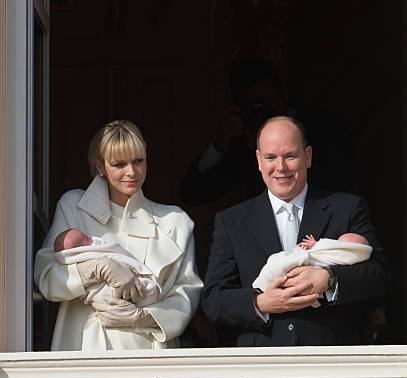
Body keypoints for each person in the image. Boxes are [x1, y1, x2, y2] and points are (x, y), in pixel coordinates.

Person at [202, 116, 388, 346]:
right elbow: (213, 300)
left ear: (307, 156)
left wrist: (328, 280)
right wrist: (261, 303)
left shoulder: (347, 208)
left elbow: (379, 275)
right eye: (270, 157)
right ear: (259, 160)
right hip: (261, 366)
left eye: (290, 156)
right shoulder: (231, 221)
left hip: (332, 362)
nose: (281, 167)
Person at [35, 120, 203, 350]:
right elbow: (47, 278)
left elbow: (186, 293)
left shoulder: (175, 221)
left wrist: (143, 317)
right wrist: (94, 268)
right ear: (100, 166)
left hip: (148, 354)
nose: (131, 172)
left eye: (138, 161)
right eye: (119, 164)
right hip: (84, 350)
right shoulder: (73, 206)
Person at [253, 232, 372, 307]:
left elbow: (376, 273)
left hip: (324, 333)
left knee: (280, 263)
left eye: (340, 242)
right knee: (277, 265)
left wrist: (329, 278)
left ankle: (261, 285)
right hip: (266, 336)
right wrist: (260, 302)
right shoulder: (236, 217)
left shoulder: (350, 207)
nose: (336, 243)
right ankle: (260, 288)